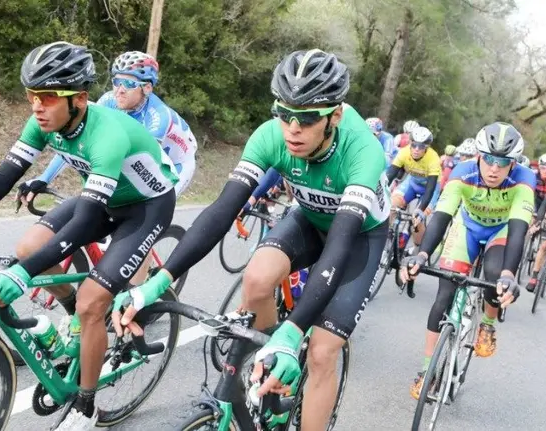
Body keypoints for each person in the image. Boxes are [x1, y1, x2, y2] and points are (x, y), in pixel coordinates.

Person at [0, 41, 179, 430]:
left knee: (93, 301)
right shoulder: (44, 122)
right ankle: (77, 324)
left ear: (79, 99)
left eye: (47, 97)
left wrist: (21, 274)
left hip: (146, 207)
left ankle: (86, 404)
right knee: (28, 248)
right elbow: (1, 179)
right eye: (31, 96)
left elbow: (85, 221)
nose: (36, 106)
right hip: (106, 197)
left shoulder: (107, 134)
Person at [111, 49, 391, 429]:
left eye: (307, 118)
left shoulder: (362, 152)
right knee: (256, 279)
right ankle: (272, 381)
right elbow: (220, 212)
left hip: (358, 237)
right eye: (284, 113)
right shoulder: (270, 136)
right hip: (308, 218)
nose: (293, 128)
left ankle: (290, 359)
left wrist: (293, 334)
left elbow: (339, 247)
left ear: (335, 117)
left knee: (322, 352)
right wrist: (157, 284)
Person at [399, 122, 533, 399]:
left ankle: (488, 324)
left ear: (513, 164)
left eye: (503, 162)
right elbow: (442, 217)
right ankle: (427, 370)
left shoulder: (524, 180)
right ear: (479, 157)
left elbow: (518, 229)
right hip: (467, 227)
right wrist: (422, 254)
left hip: (502, 230)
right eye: (489, 160)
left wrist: (510, 274)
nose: (494, 168)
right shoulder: (463, 173)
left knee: (496, 276)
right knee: (444, 294)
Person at [24, 51, 198, 200]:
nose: (119, 90)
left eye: (129, 84)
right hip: (141, 154)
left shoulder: (158, 117)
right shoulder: (109, 100)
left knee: (151, 204)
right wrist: (45, 178)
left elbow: (145, 165)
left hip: (177, 163)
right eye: (116, 82)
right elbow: (76, 141)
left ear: (147, 88)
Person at [385, 126, 441, 256]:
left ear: (426, 147)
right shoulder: (404, 152)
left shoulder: (433, 158)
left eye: (421, 147)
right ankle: (387, 234)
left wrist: (421, 209)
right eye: (414, 145)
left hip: (429, 189)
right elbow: (390, 174)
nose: (416, 149)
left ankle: (417, 248)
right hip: (412, 184)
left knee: (417, 219)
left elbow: (431, 188)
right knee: (391, 205)